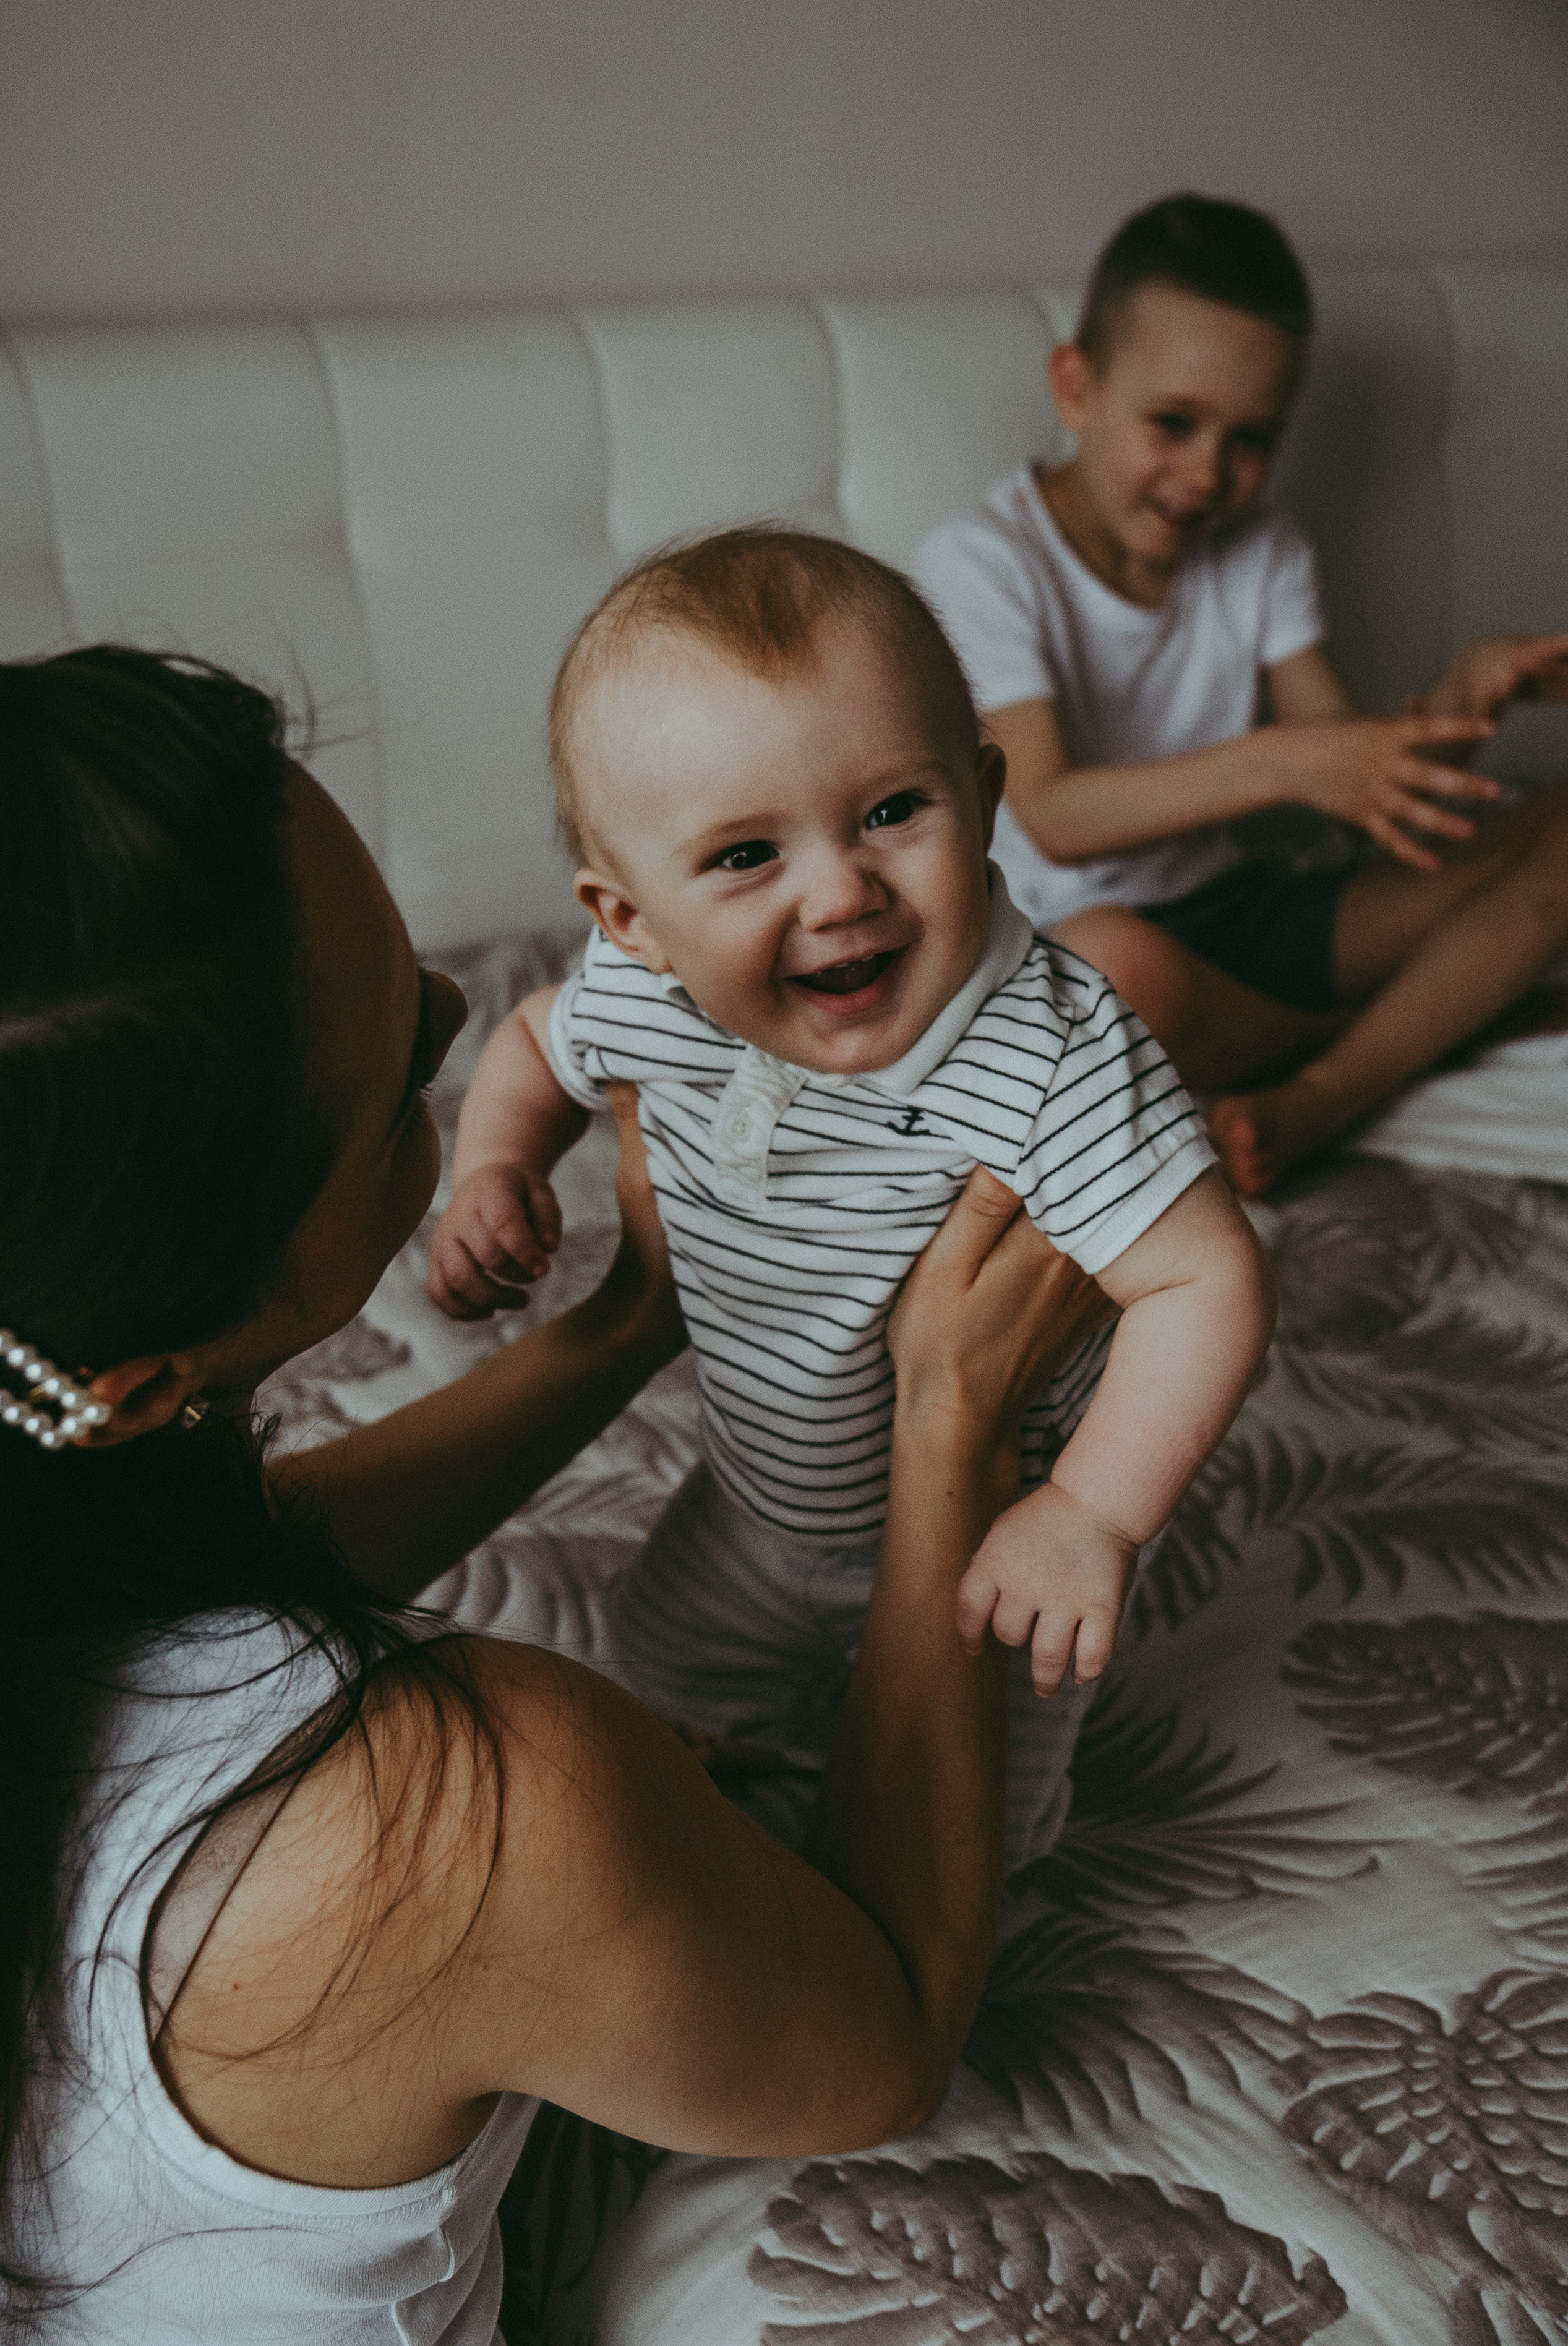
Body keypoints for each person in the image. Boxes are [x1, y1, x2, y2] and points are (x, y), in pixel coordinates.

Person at [0, 644, 1113, 2340]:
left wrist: (629, 1320)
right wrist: (951, 1419)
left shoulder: (58, 1505)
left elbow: (175, 1600)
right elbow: (883, 2038)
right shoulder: (459, 1816)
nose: (463, 1012)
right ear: (142, 1381)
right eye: (396, 1098)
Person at [426, 528, 1274, 1874]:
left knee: (972, 1835)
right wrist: (495, 1166)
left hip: (989, 1522)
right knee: (655, 1680)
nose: (839, 889)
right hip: (759, 1499)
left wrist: (1092, 1516)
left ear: (981, 794)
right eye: (745, 854)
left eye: (891, 811)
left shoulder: (1047, 1049)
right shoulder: (646, 990)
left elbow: (1207, 1277)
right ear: (628, 916)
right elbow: (533, 1041)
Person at [913, 192, 1568, 1194]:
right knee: (1115, 969)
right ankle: (1411, 1033)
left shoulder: (1263, 551)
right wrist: (1284, 765)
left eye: (1251, 439)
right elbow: (1051, 813)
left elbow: (1362, 788)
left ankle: (1328, 1088)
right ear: (1076, 387)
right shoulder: (984, 561)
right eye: (1173, 423)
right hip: (1090, 941)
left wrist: (1467, 692)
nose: (1208, 473)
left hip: (1245, 914)